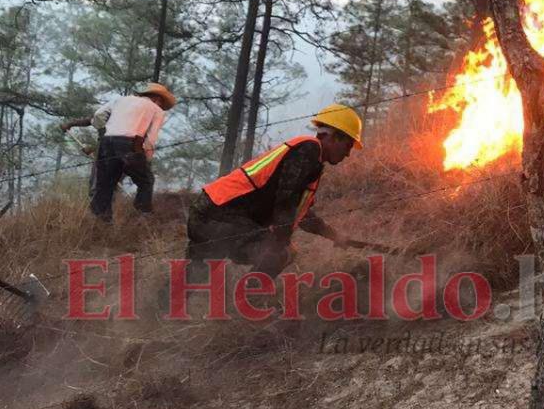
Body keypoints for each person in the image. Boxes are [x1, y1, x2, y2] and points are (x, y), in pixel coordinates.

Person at [185, 103, 362, 278]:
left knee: (192, 278)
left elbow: (302, 214)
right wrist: (280, 240)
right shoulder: (308, 150)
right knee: (278, 254)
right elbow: (286, 201)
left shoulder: (310, 159)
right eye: (348, 145)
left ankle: (163, 302)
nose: (347, 154)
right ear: (334, 137)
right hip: (219, 216)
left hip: (209, 213)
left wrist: (334, 235)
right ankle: (248, 301)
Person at [89, 82, 177, 222]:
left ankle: (100, 221)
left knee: (105, 183)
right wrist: (146, 160)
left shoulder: (120, 99)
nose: (161, 105)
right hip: (131, 144)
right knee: (146, 181)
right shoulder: (157, 110)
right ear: (157, 99)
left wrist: (101, 127)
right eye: (161, 102)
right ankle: (143, 216)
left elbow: (99, 114)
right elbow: (151, 140)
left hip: (107, 142)